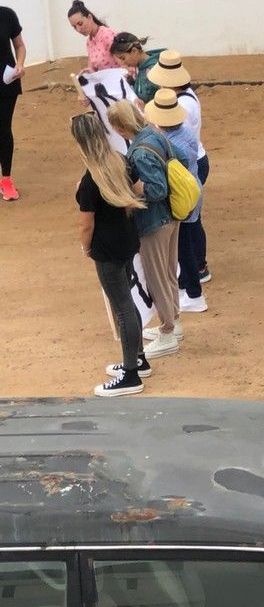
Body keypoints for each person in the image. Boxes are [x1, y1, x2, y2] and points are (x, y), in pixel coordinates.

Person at [70, 112, 146, 395]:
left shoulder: (90, 181)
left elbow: (85, 224)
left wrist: (85, 247)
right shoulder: (121, 162)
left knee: (122, 307)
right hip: (128, 239)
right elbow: (139, 190)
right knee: (128, 301)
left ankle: (130, 375)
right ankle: (138, 359)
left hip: (106, 249)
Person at [106, 100, 182, 360]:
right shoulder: (154, 134)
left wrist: (134, 190)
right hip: (172, 216)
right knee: (169, 273)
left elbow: (156, 189)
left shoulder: (139, 152)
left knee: (157, 277)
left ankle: (169, 331)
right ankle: (174, 321)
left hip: (154, 222)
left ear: (119, 126)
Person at [147, 51, 211, 285]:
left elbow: (169, 136)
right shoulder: (187, 97)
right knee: (193, 218)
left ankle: (196, 267)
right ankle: (198, 265)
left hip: (187, 165)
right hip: (195, 161)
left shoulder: (181, 107)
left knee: (187, 221)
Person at [143, 88, 206, 315]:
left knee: (184, 246)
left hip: (181, 195)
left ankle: (195, 294)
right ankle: (189, 288)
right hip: (190, 191)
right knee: (185, 243)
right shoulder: (183, 133)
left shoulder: (169, 142)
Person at [0, 4, 24, 202]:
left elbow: (19, 46)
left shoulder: (7, 14)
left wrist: (20, 64)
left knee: (3, 128)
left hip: (6, 82)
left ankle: (6, 179)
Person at [108, 32, 165, 103]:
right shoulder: (141, 66)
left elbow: (165, 101)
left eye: (123, 58)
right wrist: (132, 82)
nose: (122, 63)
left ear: (134, 51)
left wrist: (145, 107)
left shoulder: (153, 69)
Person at [68, 0, 122, 73]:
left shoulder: (106, 34)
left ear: (90, 17)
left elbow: (124, 62)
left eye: (80, 23)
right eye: (74, 27)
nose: (78, 29)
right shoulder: (89, 42)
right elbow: (92, 69)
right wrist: (87, 72)